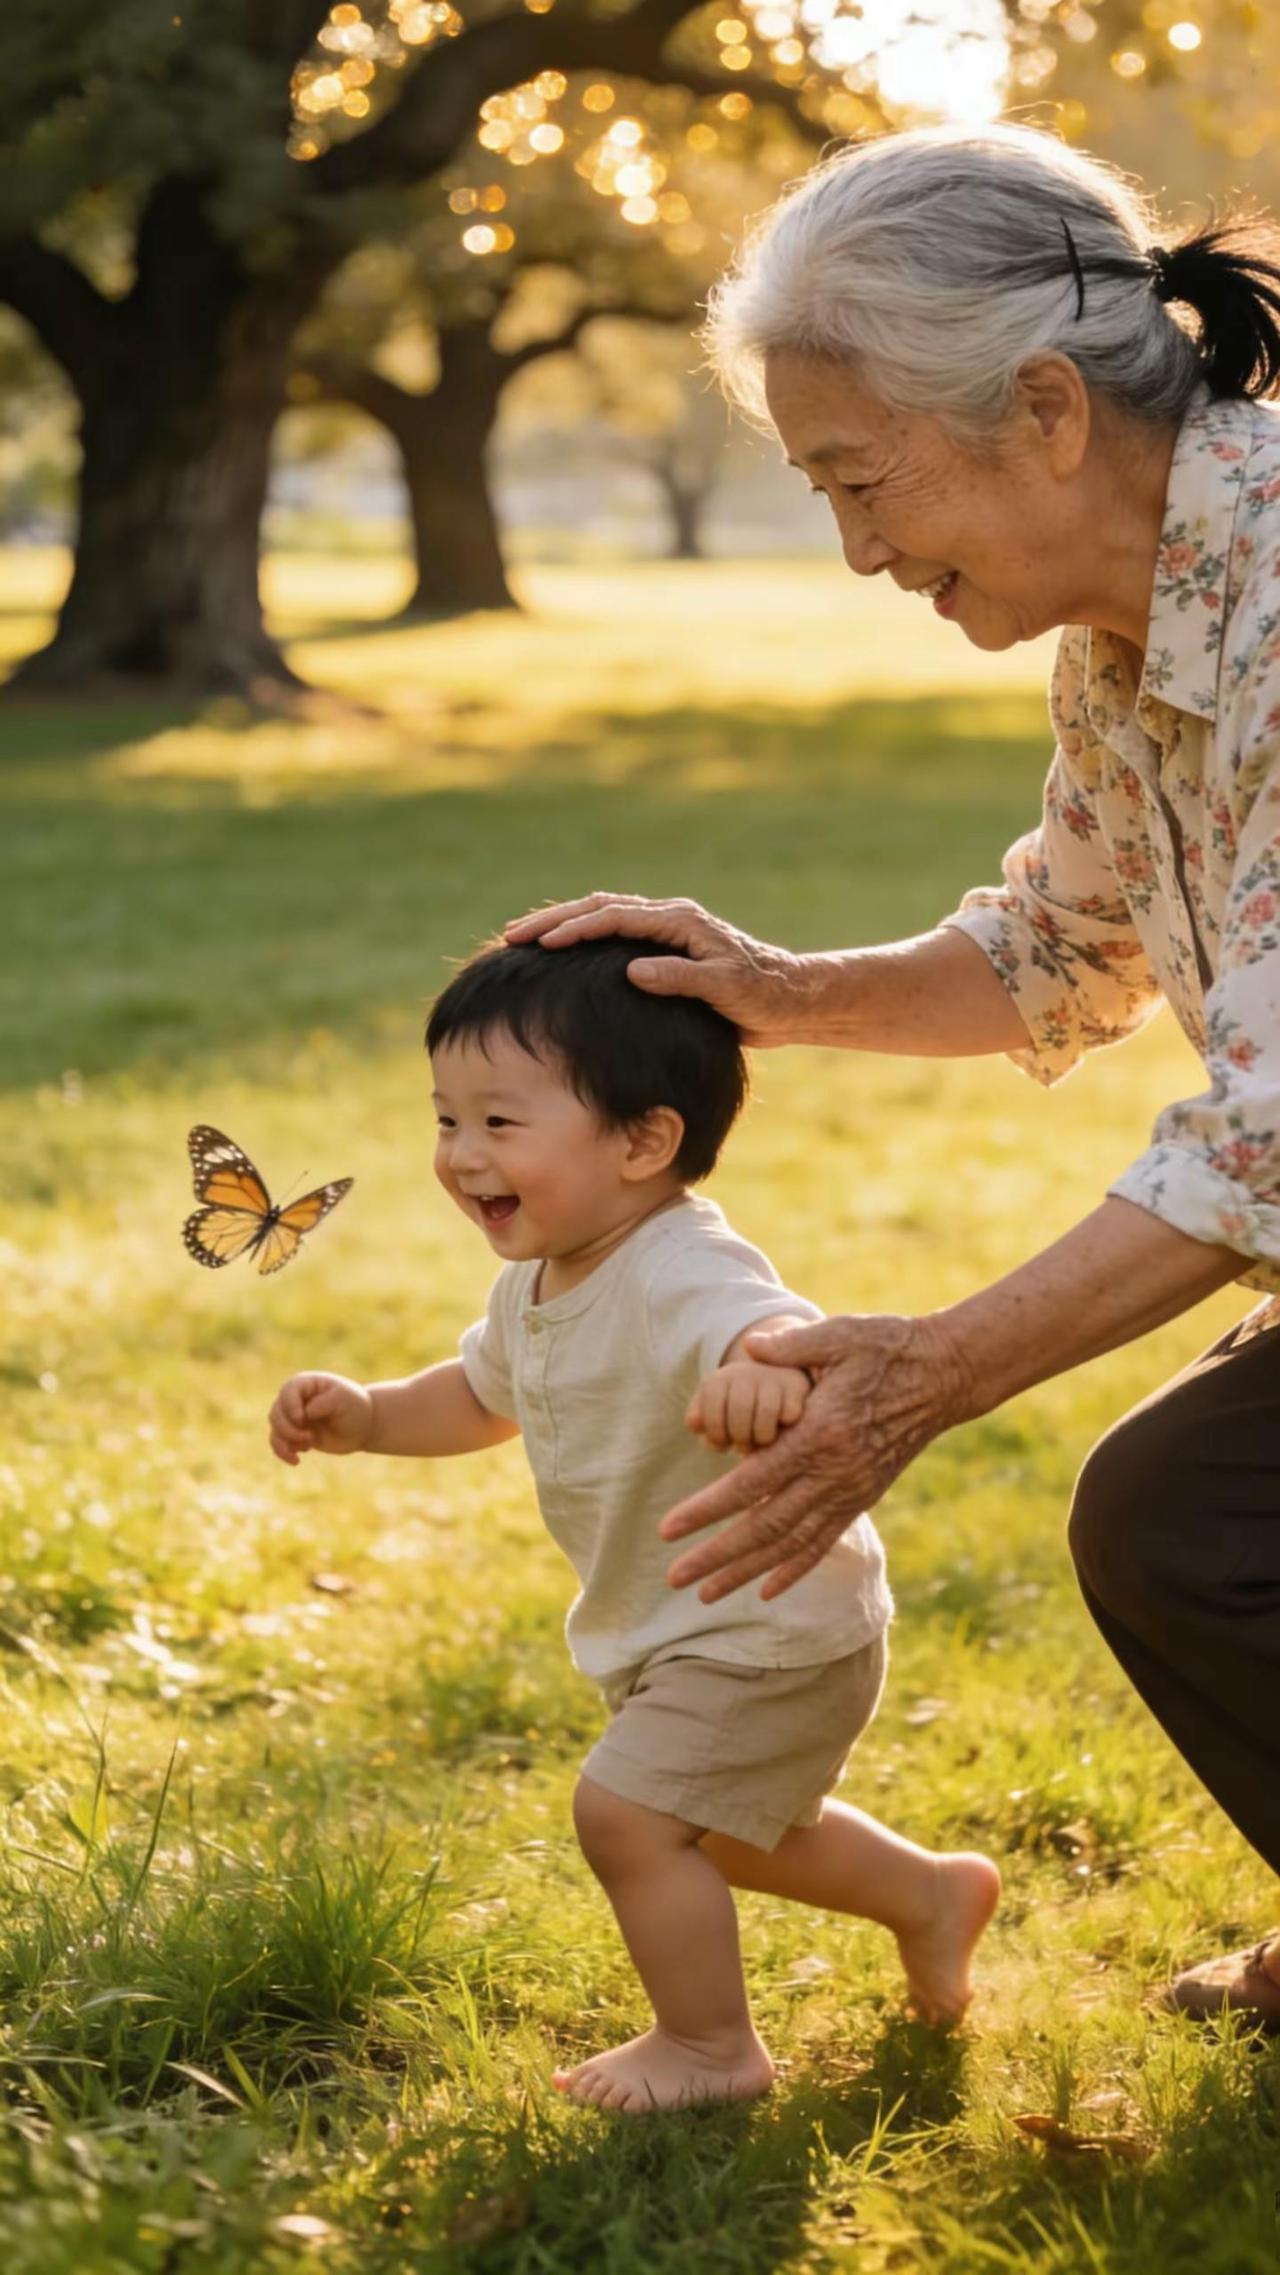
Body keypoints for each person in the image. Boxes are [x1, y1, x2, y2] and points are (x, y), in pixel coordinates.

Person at [503, 122, 1280, 2029]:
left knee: (1195, 1510)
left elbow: (1272, 1133)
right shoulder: (1136, 629)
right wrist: (770, 989)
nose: (859, 550)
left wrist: (925, 1373)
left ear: (1041, 411)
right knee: (1195, 1515)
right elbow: (1060, 948)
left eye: (865, 479)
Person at [267, 937, 1000, 2112]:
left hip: (764, 1617)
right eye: (446, 1119)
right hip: (679, 1617)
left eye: (499, 1123)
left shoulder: (678, 1266)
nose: (460, 1156)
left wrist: (761, 1370)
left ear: (642, 1140)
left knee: (627, 1814)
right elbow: (478, 1396)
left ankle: (710, 2047)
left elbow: (757, 1322)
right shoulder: (539, 1278)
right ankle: (927, 1894)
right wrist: (363, 1415)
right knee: (722, 1830)